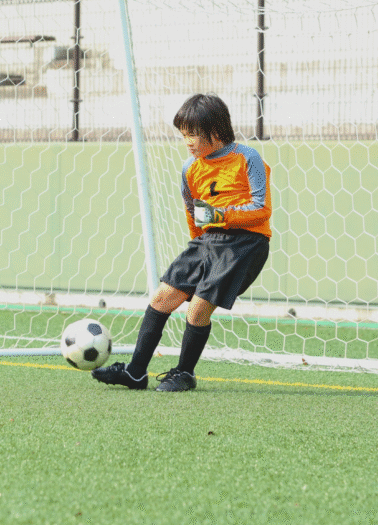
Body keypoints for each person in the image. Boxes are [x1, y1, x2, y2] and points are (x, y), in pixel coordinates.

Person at [92, 93, 272, 392]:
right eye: (183, 135)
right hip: (207, 242)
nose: (187, 141)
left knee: (197, 310)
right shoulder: (190, 168)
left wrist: (221, 216)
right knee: (162, 298)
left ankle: (184, 373)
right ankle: (136, 372)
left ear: (216, 132)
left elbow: (261, 209)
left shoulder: (248, 158)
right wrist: (198, 246)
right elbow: (193, 213)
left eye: (193, 135)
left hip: (246, 243)